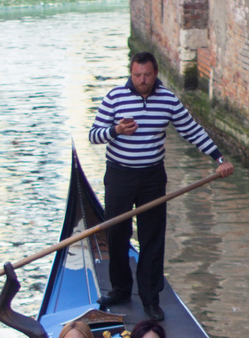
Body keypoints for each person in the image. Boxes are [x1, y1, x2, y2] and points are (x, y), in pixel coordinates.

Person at [88, 51, 235, 322]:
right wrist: (116, 131)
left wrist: (219, 157)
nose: (141, 80)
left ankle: (150, 298)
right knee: (117, 233)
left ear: (155, 74)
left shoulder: (167, 99)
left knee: (152, 238)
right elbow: (94, 135)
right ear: (130, 74)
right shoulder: (114, 98)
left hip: (152, 177)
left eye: (146, 75)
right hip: (119, 176)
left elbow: (191, 130)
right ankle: (120, 289)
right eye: (137, 75)